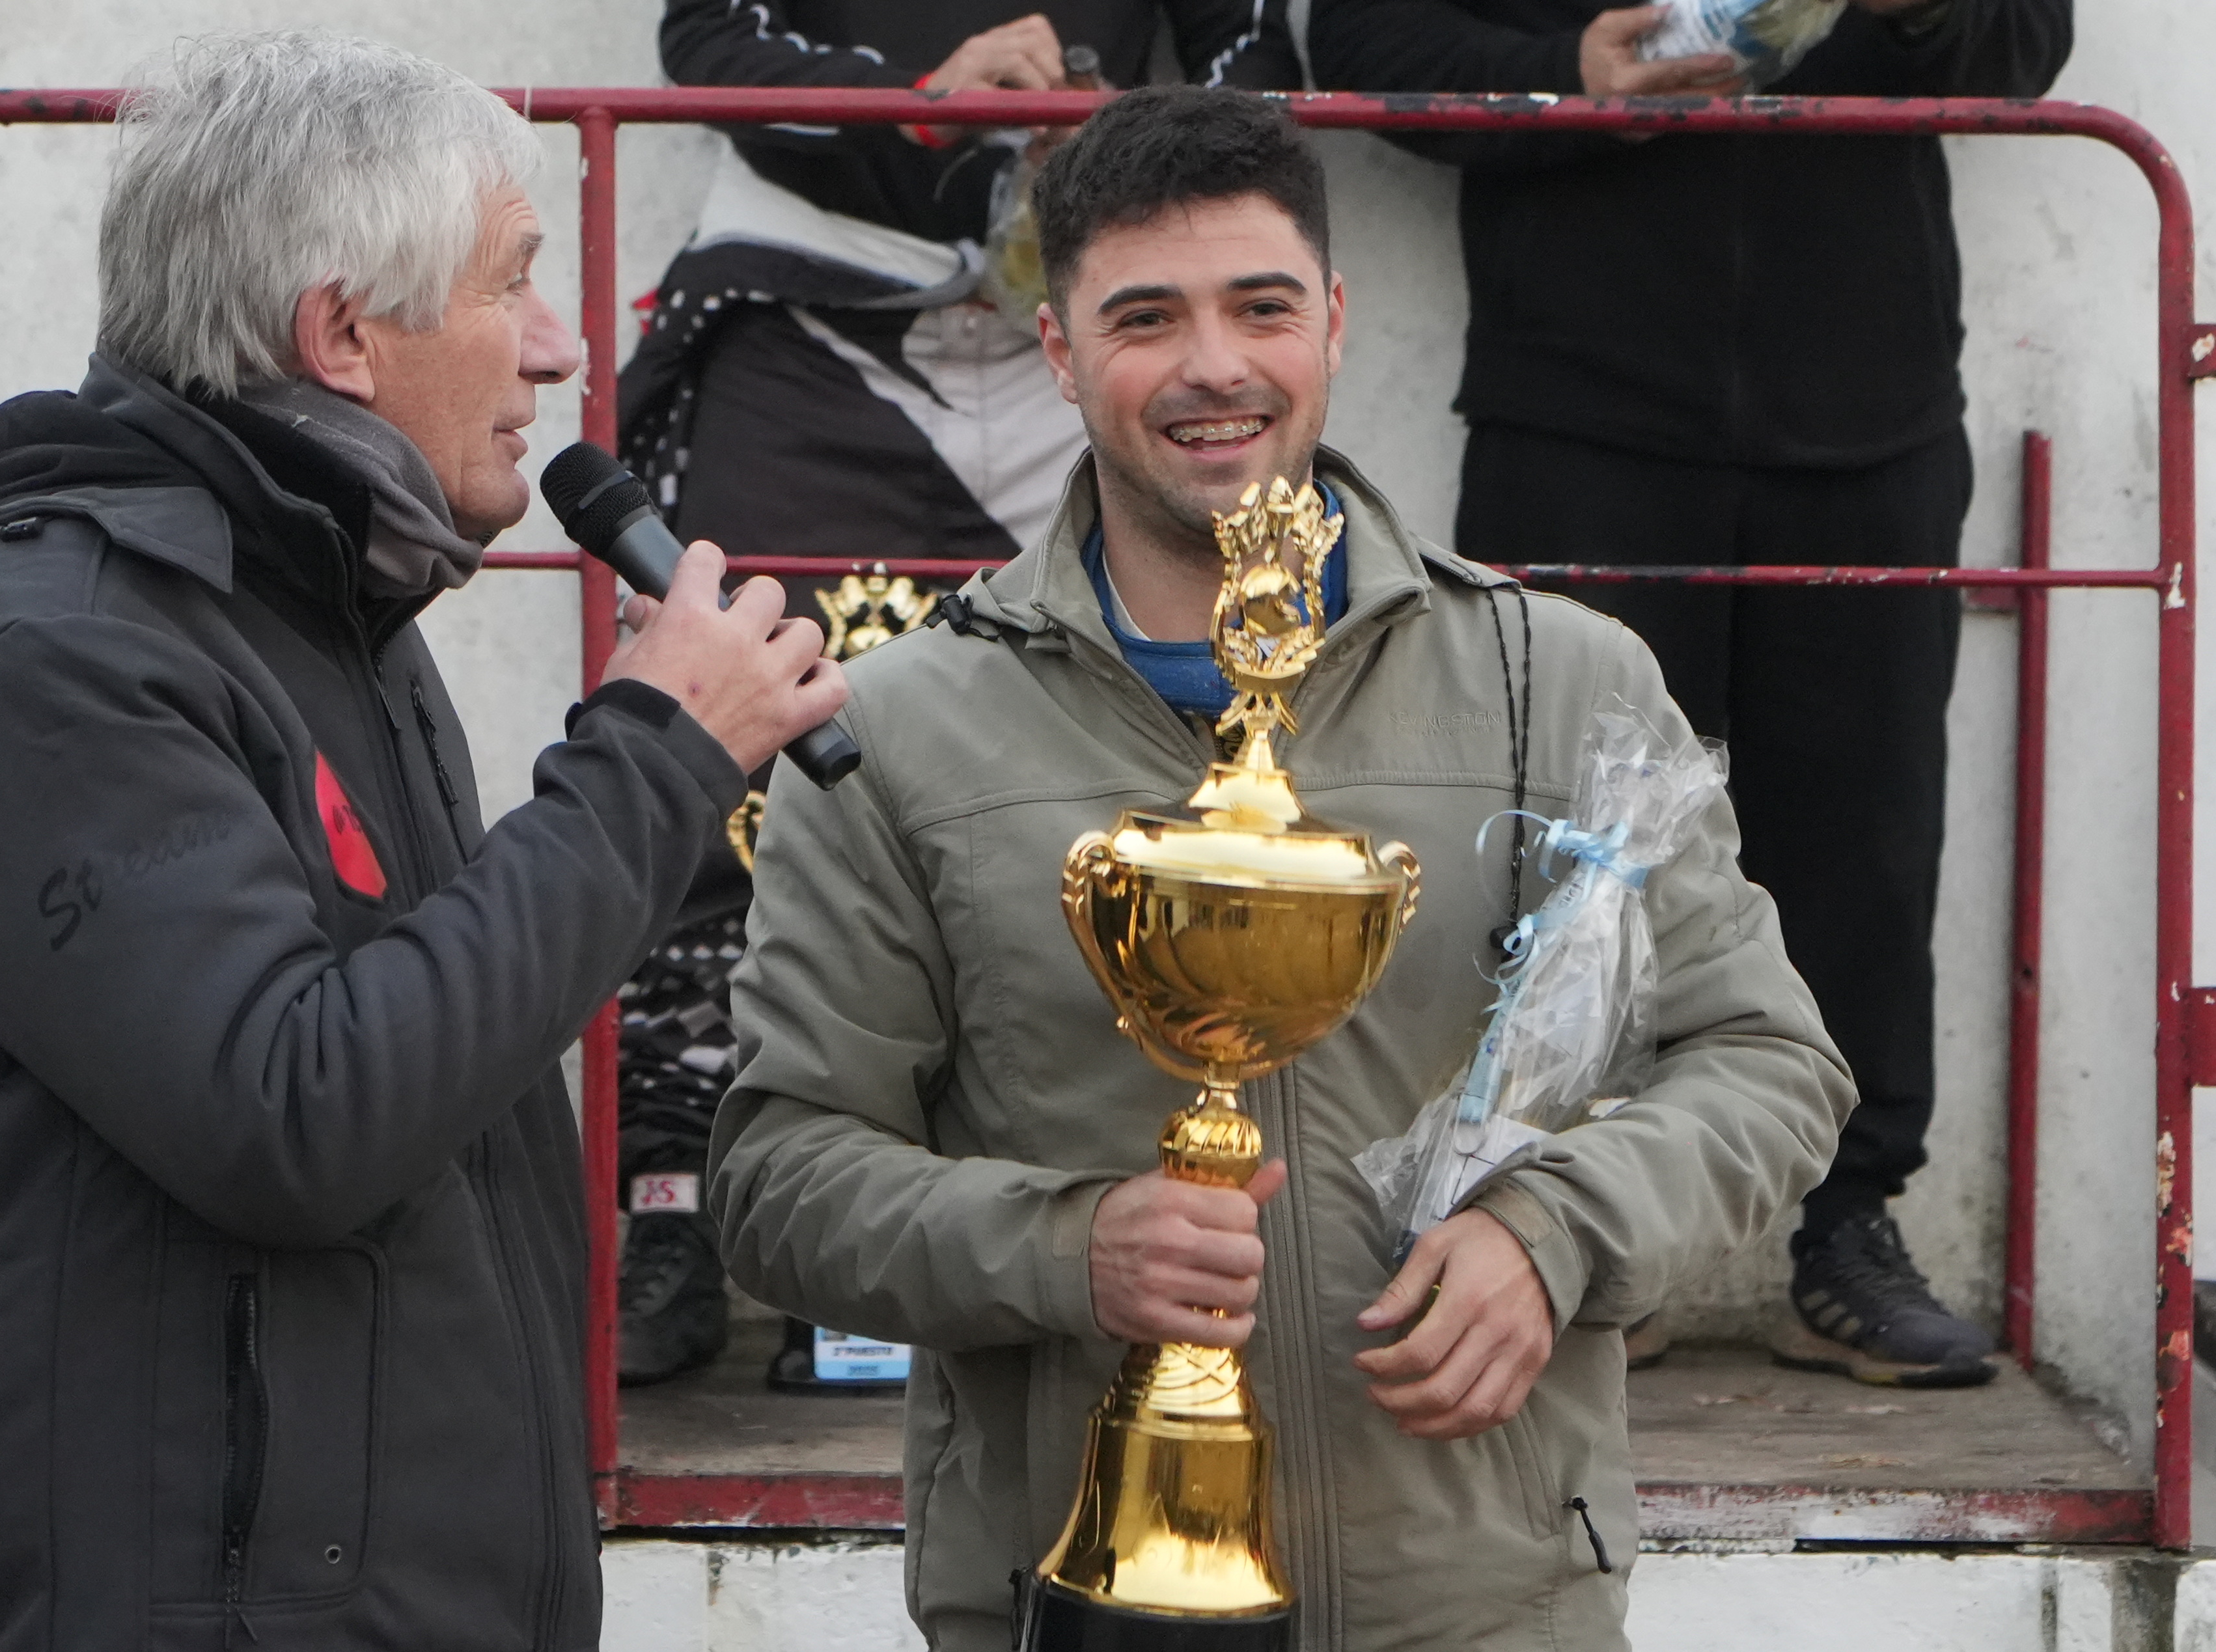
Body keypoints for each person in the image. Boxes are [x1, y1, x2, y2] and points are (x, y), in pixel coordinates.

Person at [712, 85, 1851, 1649]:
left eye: (1262, 307)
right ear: (1059, 351)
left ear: (1335, 321)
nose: (1215, 367)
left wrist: (1556, 1234)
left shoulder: (1557, 679)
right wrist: (1067, 1249)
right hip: (1076, 1602)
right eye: (1145, 317)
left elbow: (1768, 1064)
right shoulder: (894, 730)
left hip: (1487, 1606)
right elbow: (778, 1177)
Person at [0, 31, 844, 1649]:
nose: (563, 347)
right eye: (514, 282)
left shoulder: (328, 611)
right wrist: (657, 759)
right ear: (344, 334)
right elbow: (299, 1114)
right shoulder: (49, 656)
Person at [1305, 0, 2071, 1388]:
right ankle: (1547, 1228)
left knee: (1869, 838)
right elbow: (1361, 44)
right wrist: (1566, 76)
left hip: (1870, 405)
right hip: (1577, 409)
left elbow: (2027, 43)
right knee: (1550, 851)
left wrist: (1919, 17)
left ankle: (1845, 1227)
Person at [612, 2, 1306, 1386]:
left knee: (1098, 754)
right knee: (730, 751)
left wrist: (1118, 143)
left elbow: (1254, 58)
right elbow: (710, 39)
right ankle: (668, 1203)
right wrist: (924, 97)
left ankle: (1095, 1203)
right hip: (811, 299)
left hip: (1091, 315)